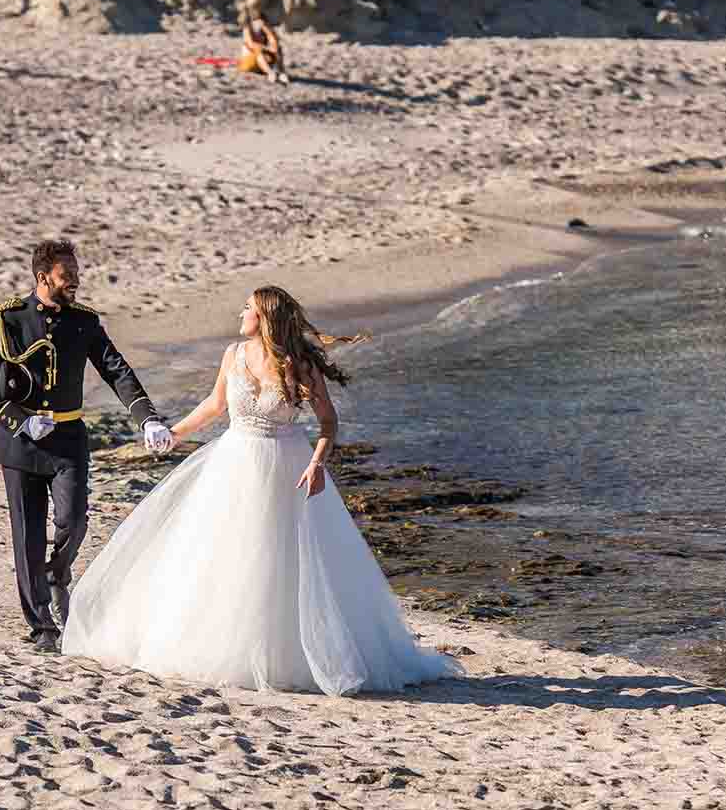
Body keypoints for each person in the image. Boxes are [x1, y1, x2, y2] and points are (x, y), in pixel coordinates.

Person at [60, 286, 460, 695]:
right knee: (220, 554)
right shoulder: (233, 354)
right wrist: (174, 434)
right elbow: (215, 405)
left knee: (278, 558)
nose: (241, 313)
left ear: (265, 317)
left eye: (248, 308)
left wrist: (317, 463)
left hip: (286, 468)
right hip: (233, 464)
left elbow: (328, 423)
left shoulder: (300, 365)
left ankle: (285, 655)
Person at [0, 239, 176, 653]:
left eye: (76, 274)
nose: (75, 281)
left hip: (68, 440)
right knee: (27, 536)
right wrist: (21, 421)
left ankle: (56, 575)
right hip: (19, 444)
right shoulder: (7, 318)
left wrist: (147, 418)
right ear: (43, 277)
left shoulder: (84, 321)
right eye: (67, 276)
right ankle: (42, 626)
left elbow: (116, 369)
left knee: (74, 520)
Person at [238, 10, 291, 84]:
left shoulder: (264, 30)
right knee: (258, 50)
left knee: (278, 49)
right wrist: (268, 48)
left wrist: (268, 31)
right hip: (249, 63)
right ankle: (270, 73)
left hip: (261, 64)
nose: (261, 24)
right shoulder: (247, 29)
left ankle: (281, 72)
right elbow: (251, 44)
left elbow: (274, 42)